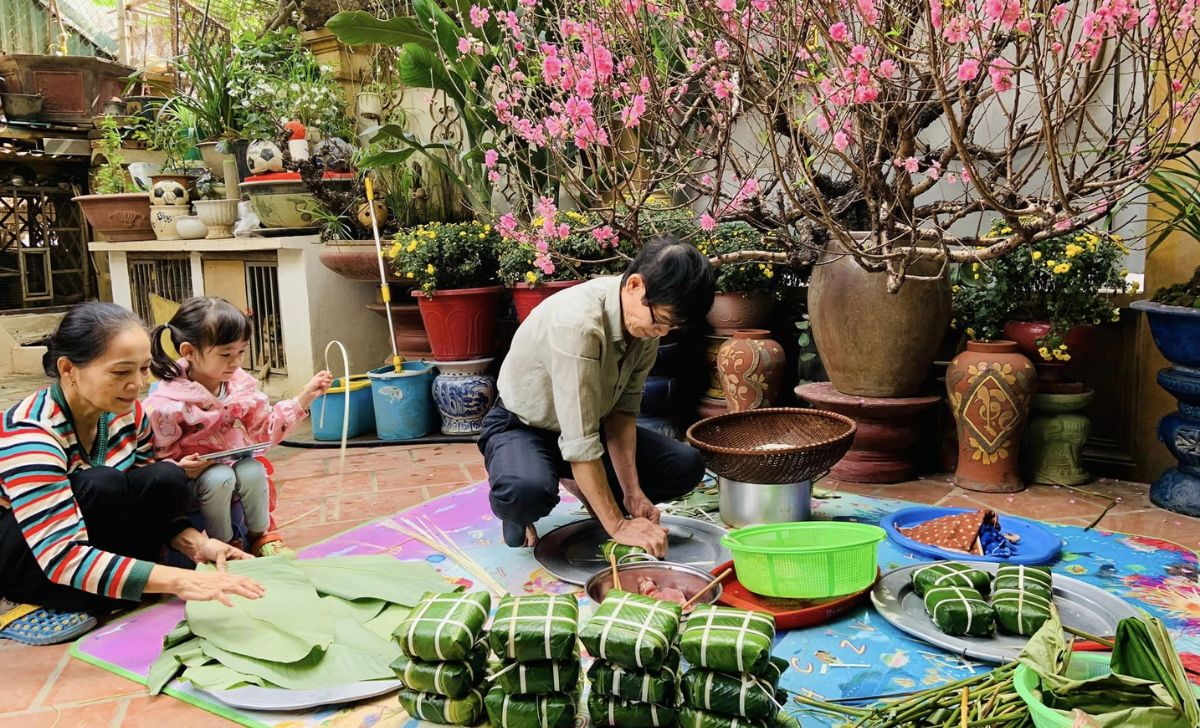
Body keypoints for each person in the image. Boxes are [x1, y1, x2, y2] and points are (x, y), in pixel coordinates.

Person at [0, 303, 265, 646]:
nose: (137, 385)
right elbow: (60, 554)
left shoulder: (128, 414)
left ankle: (108, 589)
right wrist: (181, 582)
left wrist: (197, 543)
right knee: (102, 482)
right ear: (68, 369)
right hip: (31, 554)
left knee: (164, 476)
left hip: (84, 535)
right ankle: (31, 598)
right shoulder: (32, 434)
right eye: (121, 372)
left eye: (143, 370)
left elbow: (146, 496)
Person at [479, 237, 716, 556]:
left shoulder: (644, 325)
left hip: (589, 428)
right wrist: (617, 525)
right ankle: (518, 508)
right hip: (523, 426)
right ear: (635, 285)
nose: (661, 333)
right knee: (526, 492)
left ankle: (587, 487)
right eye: (660, 321)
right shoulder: (578, 324)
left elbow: (622, 414)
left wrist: (633, 495)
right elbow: (580, 443)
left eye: (671, 327)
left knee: (685, 464)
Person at [143, 297, 332, 557]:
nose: (235, 362)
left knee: (253, 469)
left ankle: (261, 536)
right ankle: (227, 545)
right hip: (194, 484)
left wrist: (304, 398)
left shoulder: (239, 387)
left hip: (236, 470)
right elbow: (156, 460)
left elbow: (265, 429)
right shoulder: (167, 403)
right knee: (219, 478)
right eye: (225, 354)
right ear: (188, 352)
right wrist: (181, 468)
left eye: (241, 352)